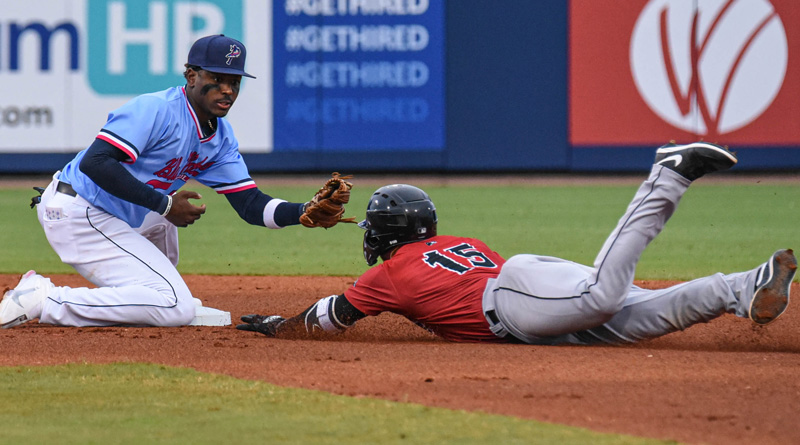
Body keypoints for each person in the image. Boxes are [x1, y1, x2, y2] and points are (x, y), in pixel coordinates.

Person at [237, 142, 797, 345]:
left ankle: (668, 174)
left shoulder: (387, 275)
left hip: (513, 298)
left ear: (383, 234)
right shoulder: (458, 242)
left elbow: (327, 319)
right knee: (651, 313)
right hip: (534, 302)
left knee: (604, 296)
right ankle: (743, 287)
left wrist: (280, 326)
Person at [0, 35, 349, 328]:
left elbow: (251, 205)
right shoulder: (156, 110)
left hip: (112, 212)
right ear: (192, 76)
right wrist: (164, 204)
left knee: (163, 218)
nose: (227, 89)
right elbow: (96, 162)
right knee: (174, 302)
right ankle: (46, 299)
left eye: (234, 82)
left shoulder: (220, 138)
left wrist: (303, 211)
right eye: (217, 78)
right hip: (80, 211)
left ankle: (158, 294)